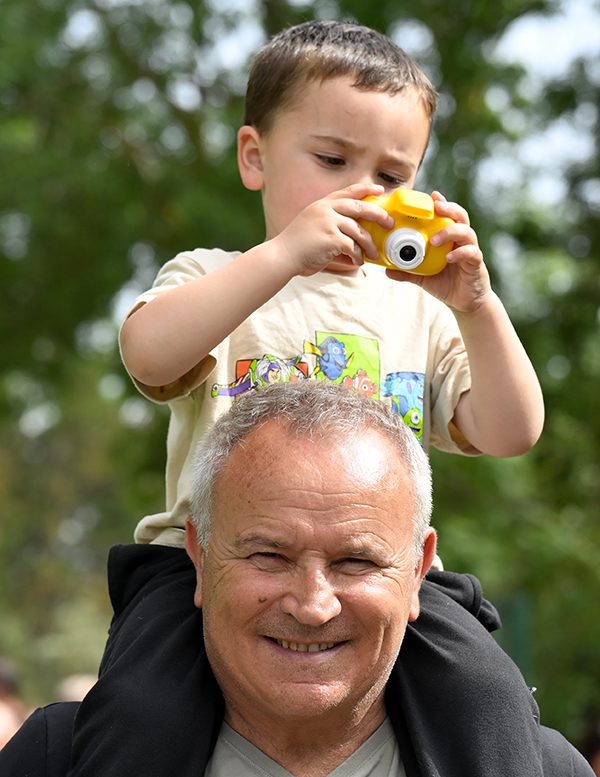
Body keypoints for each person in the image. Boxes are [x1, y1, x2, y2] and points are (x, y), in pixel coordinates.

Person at [60, 17, 547, 775]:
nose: (364, 192)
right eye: (331, 160)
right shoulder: (217, 278)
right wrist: (285, 254)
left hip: (376, 576)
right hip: (204, 569)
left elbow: (512, 429)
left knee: (489, 695)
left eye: (392, 176)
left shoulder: (420, 310)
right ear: (254, 157)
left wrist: (477, 304)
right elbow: (149, 352)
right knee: (139, 713)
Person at [0, 382, 591, 775]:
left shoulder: (537, 769)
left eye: (356, 562)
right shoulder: (58, 762)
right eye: (269, 556)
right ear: (198, 557)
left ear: (418, 572)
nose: (312, 605)